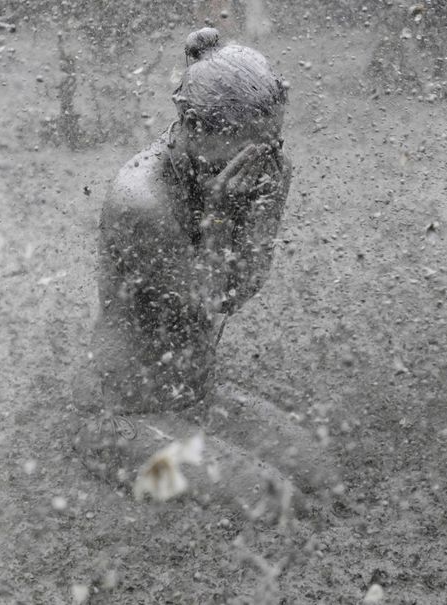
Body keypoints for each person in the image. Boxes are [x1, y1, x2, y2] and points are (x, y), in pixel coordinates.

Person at [71, 29, 329, 503]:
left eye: (268, 149)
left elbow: (242, 287)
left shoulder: (225, 168)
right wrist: (220, 214)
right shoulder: (140, 201)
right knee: (273, 501)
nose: (257, 166)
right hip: (121, 415)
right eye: (244, 154)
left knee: (322, 475)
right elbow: (213, 298)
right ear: (191, 124)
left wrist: (269, 205)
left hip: (195, 395)